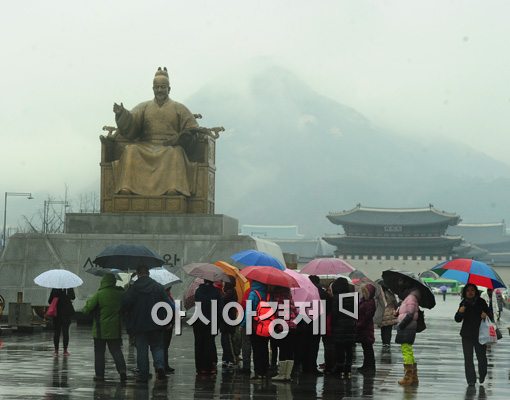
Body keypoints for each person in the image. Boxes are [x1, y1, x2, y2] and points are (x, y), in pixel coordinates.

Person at [111, 67, 200, 197]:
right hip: (146, 144)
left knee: (175, 153)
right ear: (153, 89)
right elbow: (132, 123)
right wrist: (122, 114)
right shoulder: (144, 107)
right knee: (131, 150)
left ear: (169, 89)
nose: (160, 90)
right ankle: (127, 187)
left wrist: (181, 137)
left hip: (169, 145)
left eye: (163, 87)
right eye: (157, 87)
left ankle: (173, 188)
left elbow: (192, 127)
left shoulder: (179, 108)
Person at [122, 265, 174, 383]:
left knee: (142, 350)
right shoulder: (158, 287)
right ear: (148, 274)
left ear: (138, 274)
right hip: (157, 324)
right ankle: (160, 367)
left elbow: (124, 304)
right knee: (157, 347)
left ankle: (143, 375)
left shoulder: (134, 288)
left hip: (139, 325)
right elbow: (169, 305)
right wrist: (168, 320)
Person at [81, 273, 127, 382]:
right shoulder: (120, 294)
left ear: (103, 282)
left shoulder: (99, 294)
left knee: (99, 353)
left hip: (100, 329)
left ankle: (99, 375)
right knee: (116, 351)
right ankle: (122, 371)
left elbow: (86, 310)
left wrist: (87, 304)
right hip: (115, 329)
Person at [454, 283, 491, 386]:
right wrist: (460, 312)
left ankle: (482, 374)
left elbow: (490, 314)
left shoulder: (481, 302)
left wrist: (486, 315)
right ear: (465, 292)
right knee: (468, 358)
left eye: (472, 290)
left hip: (480, 334)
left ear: (476, 292)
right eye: (468, 290)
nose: (470, 292)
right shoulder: (463, 303)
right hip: (466, 335)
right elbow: (457, 319)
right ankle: (471, 380)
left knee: (482, 357)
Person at [193, 279, 223, 375]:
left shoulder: (198, 291)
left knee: (199, 344)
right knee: (209, 344)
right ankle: (209, 367)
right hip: (212, 322)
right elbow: (220, 310)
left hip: (198, 321)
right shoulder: (216, 292)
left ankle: (200, 368)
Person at [394, 280, 421, 386]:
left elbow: (410, 314)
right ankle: (413, 376)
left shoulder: (411, 298)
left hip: (407, 327)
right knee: (408, 350)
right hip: (407, 327)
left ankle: (408, 377)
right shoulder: (409, 298)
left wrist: (401, 325)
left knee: (406, 351)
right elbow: (406, 313)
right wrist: (398, 313)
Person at [330, 277, 356, 380]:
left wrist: (333, 325)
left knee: (339, 348)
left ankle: (339, 367)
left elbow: (335, 314)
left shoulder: (336, 298)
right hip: (351, 326)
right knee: (349, 349)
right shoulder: (351, 297)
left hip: (339, 327)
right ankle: (348, 369)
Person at [270, 285, 298, 382]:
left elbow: (275, 313)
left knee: (283, 349)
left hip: (282, 326)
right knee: (290, 350)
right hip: (293, 326)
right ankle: (287, 375)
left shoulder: (277, 298)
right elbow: (296, 312)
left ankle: (281, 374)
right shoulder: (290, 298)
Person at [356, 283, 376, 374]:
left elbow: (367, 317)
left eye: (365, 291)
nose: (363, 293)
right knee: (366, 348)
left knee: (368, 348)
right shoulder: (363, 301)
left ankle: (370, 366)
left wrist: (359, 324)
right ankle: (366, 365)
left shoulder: (370, 303)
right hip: (363, 328)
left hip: (366, 328)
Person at [48, 288, 75, 356]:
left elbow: (50, 300)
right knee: (65, 331)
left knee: (57, 332)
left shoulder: (55, 288)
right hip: (66, 313)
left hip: (57, 313)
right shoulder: (69, 287)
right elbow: (73, 297)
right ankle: (65, 351)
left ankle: (56, 351)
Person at [220, 278, 238, 369]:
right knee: (225, 341)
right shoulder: (229, 292)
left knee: (228, 341)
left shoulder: (230, 292)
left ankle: (231, 359)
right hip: (226, 321)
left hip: (228, 322)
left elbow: (222, 301)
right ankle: (226, 358)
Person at [379, 284, 398, 350]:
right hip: (390, 313)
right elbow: (395, 303)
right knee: (388, 330)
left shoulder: (379, 295)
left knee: (383, 329)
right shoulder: (390, 294)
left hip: (381, 314)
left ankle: (384, 342)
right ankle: (387, 342)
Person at [162, 286, 176, 374]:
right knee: (164, 346)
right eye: (168, 290)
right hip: (166, 325)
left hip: (167, 324)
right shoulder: (165, 298)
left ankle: (163, 365)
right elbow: (172, 308)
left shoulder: (168, 297)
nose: (169, 291)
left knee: (163, 346)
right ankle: (163, 365)